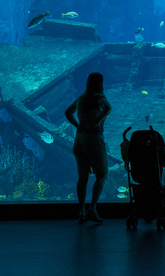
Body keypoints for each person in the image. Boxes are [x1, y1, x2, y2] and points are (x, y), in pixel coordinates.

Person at [65, 72, 112, 223]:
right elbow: (108, 108)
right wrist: (97, 121)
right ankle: (92, 209)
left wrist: (78, 125)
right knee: (101, 174)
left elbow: (67, 113)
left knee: (83, 176)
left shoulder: (81, 98)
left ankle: (81, 212)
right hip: (93, 139)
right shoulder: (98, 97)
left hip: (79, 140)